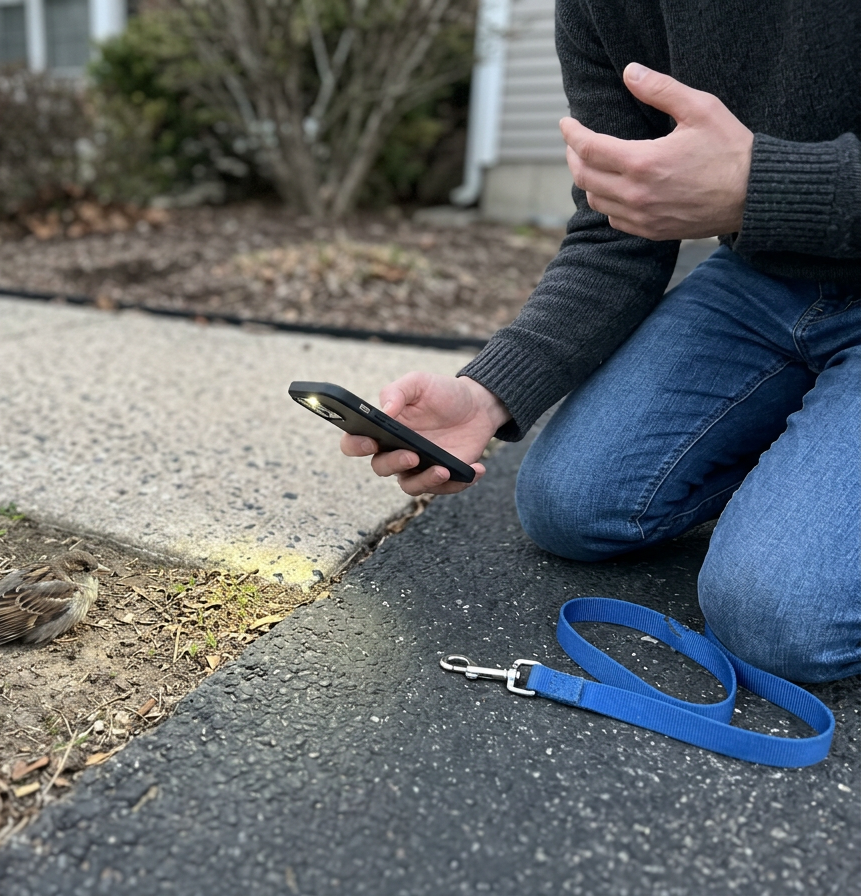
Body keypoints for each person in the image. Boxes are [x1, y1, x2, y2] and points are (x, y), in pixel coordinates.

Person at [340, 1, 860, 684]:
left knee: (776, 621)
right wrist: (487, 393)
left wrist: (764, 184)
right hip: (763, 275)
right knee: (568, 506)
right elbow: (616, 235)